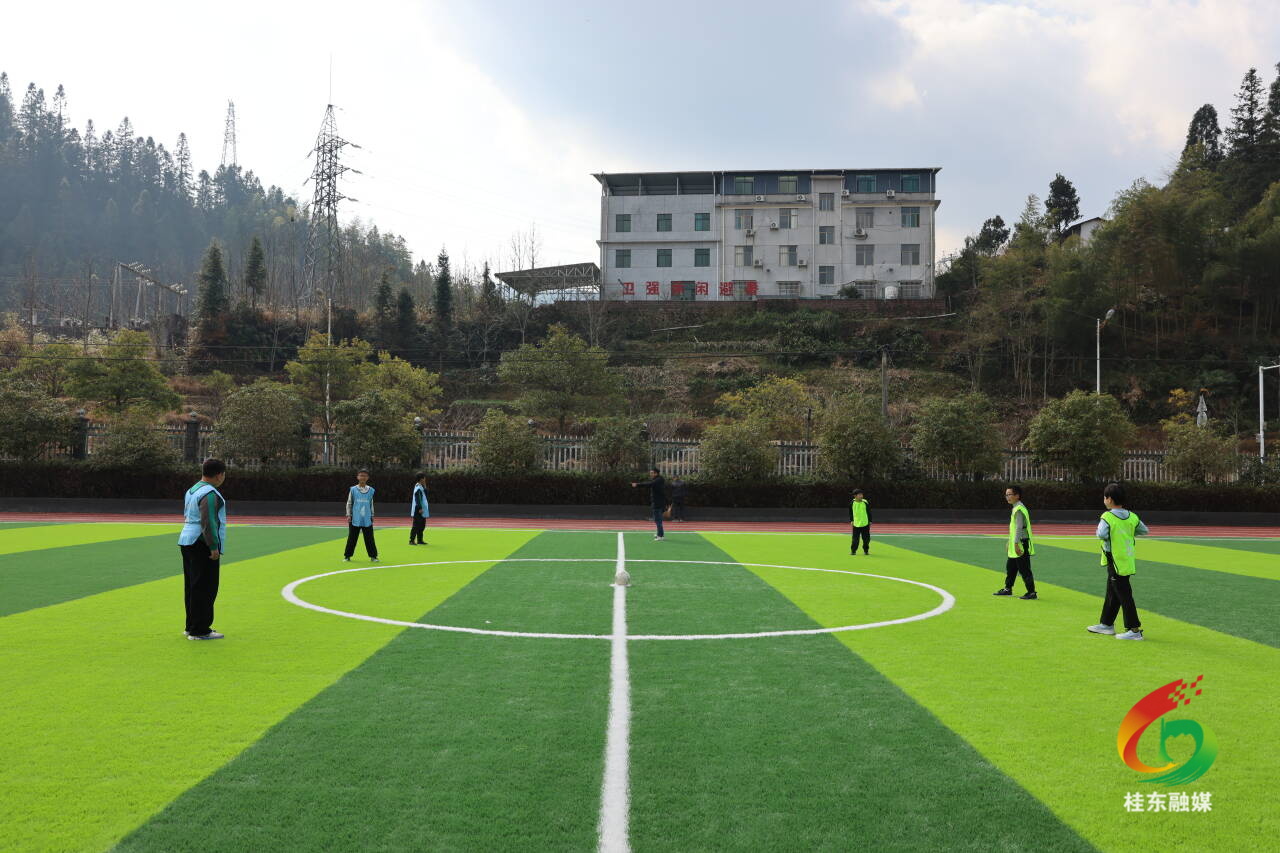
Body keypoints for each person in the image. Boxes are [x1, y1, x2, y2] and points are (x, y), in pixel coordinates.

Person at [1088, 482, 1149, 640]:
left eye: (1105, 497)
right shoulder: (1132, 516)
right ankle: (1106, 624)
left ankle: (1134, 630)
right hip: (1126, 559)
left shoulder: (1107, 516)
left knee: (1124, 595)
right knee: (1113, 592)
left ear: (1109, 499)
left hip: (1114, 559)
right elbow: (1144, 530)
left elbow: (1101, 534)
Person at [178, 458, 228, 640]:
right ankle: (200, 629)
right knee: (206, 587)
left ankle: (191, 625)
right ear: (219, 475)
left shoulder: (192, 490)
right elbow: (209, 521)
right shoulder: (210, 493)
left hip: (187, 540)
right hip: (201, 543)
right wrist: (213, 546)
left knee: (192, 586)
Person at [993, 484, 1037, 599]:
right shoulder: (1016, 508)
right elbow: (1014, 529)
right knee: (1011, 567)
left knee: (1024, 569)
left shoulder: (1019, 509)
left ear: (1017, 496)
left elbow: (1019, 528)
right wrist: (1010, 541)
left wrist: (1016, 544)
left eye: (1010, 494)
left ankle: (1031, 592)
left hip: (1021, 543)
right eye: (1006, 495)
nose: (1007, 497)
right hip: (1016, 542)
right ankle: (1008, 589)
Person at [343, 469, 379, 562]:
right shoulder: (353, 489)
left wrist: (372, 515)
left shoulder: (371, 490)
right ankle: (347, 556)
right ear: (357, 477)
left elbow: (371, 503)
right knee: (352, 538)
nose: (363, 477)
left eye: (365, 476)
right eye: (361, 475)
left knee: (369, 538)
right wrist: (348, 514)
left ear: (367, 478)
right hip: (355, 518)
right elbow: (349, 503)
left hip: (367, 518)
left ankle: (373, 556)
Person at [631, 467, 666, 540]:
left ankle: (660, 536)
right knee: (658, 520)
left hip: (657, 503)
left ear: (656, 473)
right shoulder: (658, 479)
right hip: (658, 502)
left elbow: (649, 484)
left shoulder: (658, 480)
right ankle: (660, 534)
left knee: (658, 520)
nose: (650, 474)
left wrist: (637, 484)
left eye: (652, 473)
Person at [409, 471, 429, 545]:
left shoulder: (421, 487)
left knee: (422, 525)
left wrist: (425, 486)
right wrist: (420, 508)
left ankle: (420, 540)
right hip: (418, 510)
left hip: (422, 509)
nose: (425, 479)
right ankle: (411, 540)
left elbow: (425, 495)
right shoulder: (418, 488)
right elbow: (418, 499)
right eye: (424, 478)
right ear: (421, 479)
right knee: (416, 525)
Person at [849, 489, 871, 555]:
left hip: (865, 523)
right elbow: (850, 512)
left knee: (866, 539)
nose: (861, 496)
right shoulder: (852, 503)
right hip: (856, 524)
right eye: (859, 495)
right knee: (855, 540)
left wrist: (870, 520)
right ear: (855, 496)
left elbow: (869, 512)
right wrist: (851, 520)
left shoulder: (865, 502)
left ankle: (866, 550)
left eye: (862, 494)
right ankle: (853, 551)